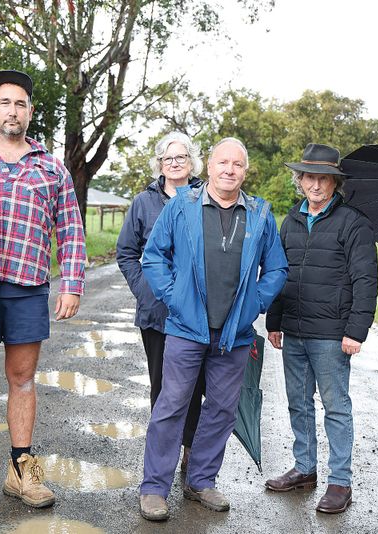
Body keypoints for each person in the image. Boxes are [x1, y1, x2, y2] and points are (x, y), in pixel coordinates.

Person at [0, 70, 86, 509]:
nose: (13, 110)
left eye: (20, 103)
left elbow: (71, 228)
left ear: (30, 112)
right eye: (5, 102)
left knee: (23, 379)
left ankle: (22, 470)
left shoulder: (50, 167)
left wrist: (72, 282)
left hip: (27, 287)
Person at [138, 137, 288, 521]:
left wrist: (254, 303)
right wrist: (175, 298)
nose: (229, 170)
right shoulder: (181, 206)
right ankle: (154, 488)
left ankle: (201, 480)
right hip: (187, 329)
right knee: (171, 406)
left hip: (234, 335)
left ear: (245, 171)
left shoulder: (259, 213)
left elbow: (277, 269)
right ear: (208, 166)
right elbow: (153, 257)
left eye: (237, 164)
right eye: (223, 162)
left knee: (221, 409)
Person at [264, 143, 378, 514]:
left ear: (334, 183)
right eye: (309, 177)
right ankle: (304, 469)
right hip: (293, 329)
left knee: (335, 407)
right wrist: (274, 320)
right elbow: (279, 274)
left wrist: (356, 330)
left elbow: (366, 280)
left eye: (323, 178)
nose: (315, 184)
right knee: (298, 403)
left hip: (331, 334)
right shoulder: (290, 220)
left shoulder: (354, 223)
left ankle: (340, 482)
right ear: (300, 181)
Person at [116, 131, 205, 469]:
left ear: (192, 162)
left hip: (196, 311)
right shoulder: (143, 202)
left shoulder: (205, 198)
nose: (174, 163)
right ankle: (163, 453)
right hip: (156, 312)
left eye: (181, 157)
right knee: (163, 386)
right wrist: (144, 290)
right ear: (159, 164)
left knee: (194, 383)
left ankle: (190, 450)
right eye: (168, 158)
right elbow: (126, 253)